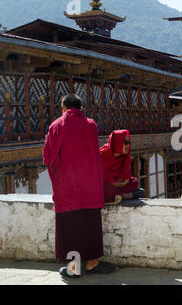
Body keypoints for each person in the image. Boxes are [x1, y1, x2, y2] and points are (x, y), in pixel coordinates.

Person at [43, 94, 116, 278]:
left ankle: (74, 268)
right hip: (89, 184)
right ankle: (92, 263)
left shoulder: (57, 125)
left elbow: (49, 157)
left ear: (63, 108)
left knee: (70, 227)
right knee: (90, 224)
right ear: (80, 108)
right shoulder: (91, 125)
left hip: (67, 186)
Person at [100, 130, 145, 205]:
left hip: (118, 184)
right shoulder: (102, 155)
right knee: (104, 187)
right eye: (125, 143)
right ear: (117, 142)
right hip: (106, 185)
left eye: (128, 142)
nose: (128, 146)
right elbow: (102, 178)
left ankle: (117, 196)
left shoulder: (125, 157)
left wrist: (121, 182)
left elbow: (125, 178)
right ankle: (126, 195)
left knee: (134, 182)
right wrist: (119, 183)